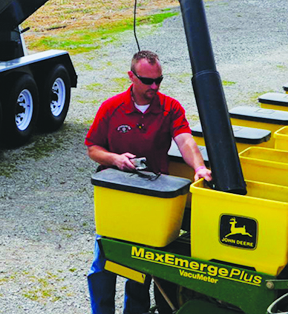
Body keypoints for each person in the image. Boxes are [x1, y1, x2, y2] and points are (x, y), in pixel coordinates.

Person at [85, 50, 212, 314]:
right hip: (117, 195)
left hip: (152, 198)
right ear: (131, 76)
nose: (154, 87)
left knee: (141, 266)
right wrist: (116, 159)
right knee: (103, 264)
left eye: (159, 81)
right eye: (148, 81)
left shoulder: (170, 107)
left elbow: (185, 140)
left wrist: (199, 167)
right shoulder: (111, 108)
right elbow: (93, 148)